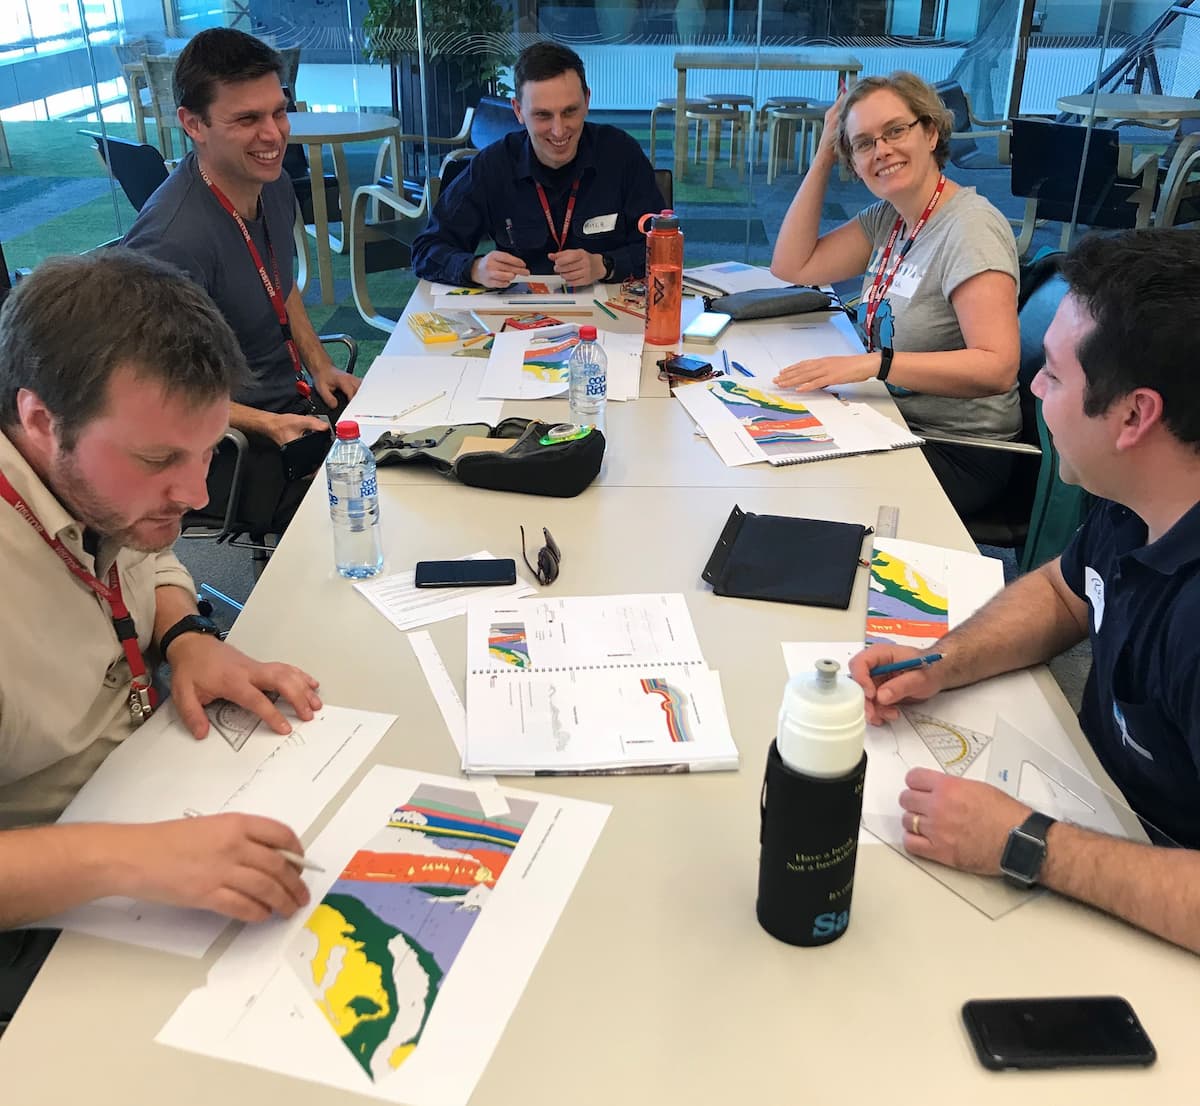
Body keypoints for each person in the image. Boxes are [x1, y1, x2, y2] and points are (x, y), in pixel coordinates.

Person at [849, 228, 1200, 954]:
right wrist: (940, 662)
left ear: (1135, 416)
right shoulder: (1141, 495)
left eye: (1057, 377)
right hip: (1099, 814)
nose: (1032, 387)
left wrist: (1027, 843)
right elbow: (1068, 593)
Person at [0, 250, 323, 1020]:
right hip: (53, 903)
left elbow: (154, 561)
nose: (199, 492)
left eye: (208, 449)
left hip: (152, 788)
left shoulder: (104, 486)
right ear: (41, 420)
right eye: (159, 460)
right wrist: (130, 856)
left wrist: (187, 637)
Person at [123, 27, 359, 535]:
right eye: (247, 119)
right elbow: (149, 392)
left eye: (278, 111)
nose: (273, 135)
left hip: (296, 404)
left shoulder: (269, 185)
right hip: (219, 444)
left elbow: (280, 284)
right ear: (193, 124)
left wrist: (321, 366)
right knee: (366, 503)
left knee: (409, 446)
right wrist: (267, 425)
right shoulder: (170, 240)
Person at [770, 72, 1020, 517]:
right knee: (781, 451)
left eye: (895, 131)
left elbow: (997, 366)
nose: (881, 150)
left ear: (930, 132)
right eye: (863, 143)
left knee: (804, 488)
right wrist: (824, 157)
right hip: (891, 418)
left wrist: (873, 364)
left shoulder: (970, 228)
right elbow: (793, 265)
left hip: (958, 448)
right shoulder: (890, 218)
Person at [411, 41, 665, 289]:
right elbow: (426, 250)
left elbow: (664, 251)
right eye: (543, 115)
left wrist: (605, 265)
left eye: (569, 112)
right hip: (518, 321)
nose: (558, 130)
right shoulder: (494, 166)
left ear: (587, 101)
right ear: (518, 111)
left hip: (610, 318)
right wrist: (475, 268)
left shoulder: (621, 154)